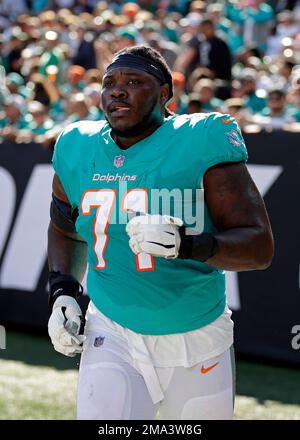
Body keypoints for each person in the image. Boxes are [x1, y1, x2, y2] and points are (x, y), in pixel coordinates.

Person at [47, 45, 274, 420]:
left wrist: (188, 245)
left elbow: (258, 247)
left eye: (134, 82)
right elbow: (64, 229)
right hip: (111, 329)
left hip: (197, 335)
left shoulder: (200, 138)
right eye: (109, 83)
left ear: (165, 94)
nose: (117, 91)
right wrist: (62, 291)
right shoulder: (77, 144)